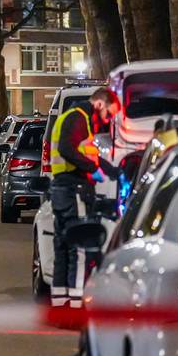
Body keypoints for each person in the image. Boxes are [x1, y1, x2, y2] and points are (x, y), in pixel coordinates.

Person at [49, 87, 120, 309]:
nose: (108, 120)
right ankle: (77, 305)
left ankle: (60, 303)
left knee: (63, 245)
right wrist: (92, 170)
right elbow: (68, 150)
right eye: (109, 114)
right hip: (74, 189)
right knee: (79, 249)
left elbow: (86, 151)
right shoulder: (78, 119)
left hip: (63, 188)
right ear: (100, 104)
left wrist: (111, 170)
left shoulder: (76, 119)